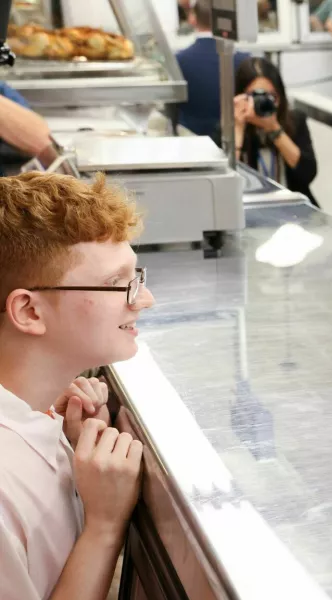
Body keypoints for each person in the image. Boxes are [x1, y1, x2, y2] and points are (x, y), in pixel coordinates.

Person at [0, 171, 153, 599]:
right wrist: (105, 525)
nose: (143, 299)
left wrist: (67, 441)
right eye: (116, 284)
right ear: (30, 312)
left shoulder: (38, 410)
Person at [226, 58, 319, 207]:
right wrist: (237, 129)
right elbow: (225, 183)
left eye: (271, 97)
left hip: (292, 208)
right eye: (255, 96)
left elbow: (307, 174)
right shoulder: (228, 128)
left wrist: (275, 130)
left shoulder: (295, 121)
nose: (263, 102)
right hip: (249, 209)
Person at [175, 1, 251, 136]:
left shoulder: (179, 60)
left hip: (192, 141)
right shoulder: (245, 61)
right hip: (235, 138)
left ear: (192, 19)